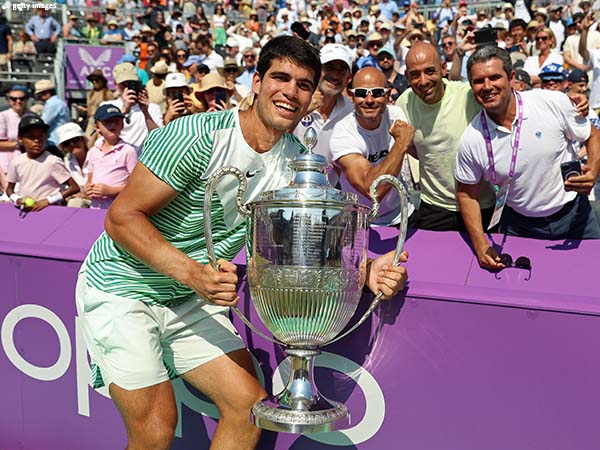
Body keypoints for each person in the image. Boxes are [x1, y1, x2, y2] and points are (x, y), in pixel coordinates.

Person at [75, 35, 408, 450]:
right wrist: (194, 274)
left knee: (250, 408)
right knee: (156, 429)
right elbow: (121, 219)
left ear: (311, 99)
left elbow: (308, 245)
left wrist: (368, 267)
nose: (291, 92)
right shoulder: (194, 135)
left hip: (188, 299)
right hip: (121, 290)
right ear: (256, 81)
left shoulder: (293, 165)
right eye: (281, 78)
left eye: (304, 84)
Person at [455, 46, 600, 270]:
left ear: (511, 77)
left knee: (591, 283)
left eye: (494, 77)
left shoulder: (551, 103)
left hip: (575, 217)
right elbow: (466, 193)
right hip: (519, 226)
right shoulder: (471, 139)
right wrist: (481, 244)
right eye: (478, 81)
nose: (487, 87)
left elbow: (592, 134)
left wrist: (592, 169)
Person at [397, 42, 495, 231]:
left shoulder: (468, 96)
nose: (423, 81)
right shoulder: (404, 103)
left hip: (480, 204)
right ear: (407, 77)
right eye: (415, 75)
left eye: (430, 71)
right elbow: (413, 148)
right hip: (434, 207)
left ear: (443, 68)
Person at [331, 67, 416, 227]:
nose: (369, 100)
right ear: (351, 96)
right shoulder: (342, 133)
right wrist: (400, 144)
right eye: (362, 93)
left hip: (402, 215)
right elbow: (373, 191)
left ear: (388, 95)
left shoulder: (396, 115)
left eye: (377, 92)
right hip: (359, 222)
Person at [293, 43, 354, 163]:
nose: (335, 75)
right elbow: (275, 139)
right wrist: (301, 112)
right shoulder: (295, 100)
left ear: (348, 78)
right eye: (329, 67)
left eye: (342, 70)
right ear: (316, 71)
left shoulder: (351, 112)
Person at [6, 116, 79, 212]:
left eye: (41, 136)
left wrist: (48, 201)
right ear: (20, 139)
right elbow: (9, 189)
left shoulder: (53, 161)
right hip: (26, 211)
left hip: (50, 211)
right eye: (31, 137)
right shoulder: (16, 162)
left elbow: (74, 187)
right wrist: (17, 199)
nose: (37, 141)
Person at [84, 105, 138, 209]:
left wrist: (111, 191)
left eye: (117, 121)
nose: (113, 125)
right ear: (97, 127)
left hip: (118, 208)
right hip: (96, 207)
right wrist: (88, 189)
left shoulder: (128, 150)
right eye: (107, 122)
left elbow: (135, 186)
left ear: (122, 125)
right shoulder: (93, 151)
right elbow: (90, 179)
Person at [101, 62, 163, 151]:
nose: (127, 88)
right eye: (123, 84)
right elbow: (105, 135)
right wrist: (123, 110)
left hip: (143, 161)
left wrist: (146, 112)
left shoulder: (152, 108)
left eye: (130, 83)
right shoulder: (106, 107)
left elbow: (159, 138)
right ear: (115, 84)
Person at [56, 122, 91, 208]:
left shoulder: (97, 155)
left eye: (75, 140)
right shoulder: (67, 161)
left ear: (83, 140)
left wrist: (83, 195)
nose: (72, 144)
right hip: (80, 200)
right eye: (67, 143)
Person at [0, 85, 29, 176]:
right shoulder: (3, 116)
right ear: (9, 101)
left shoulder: (31, 116)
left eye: (22, 98)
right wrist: (21, 143)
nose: (18, 101)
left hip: (28, 163)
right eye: (14, 99)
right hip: (7, 164)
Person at [34, 79, 70, 148]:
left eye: (40, 94)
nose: (39, 97)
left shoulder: (52, 104)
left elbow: (43, 123)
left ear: (47, 93)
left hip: (54, 141)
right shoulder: (58, 102)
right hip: (59, 140)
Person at [78, 69, 115, 137]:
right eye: (92, 80)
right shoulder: (90, 94)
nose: (94, 82)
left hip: (102, 121)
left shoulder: (107, 93)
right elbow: (91, 110)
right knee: (88, 139)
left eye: (96, 80)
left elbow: (112, 109)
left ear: (102, 81)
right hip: (91, 121)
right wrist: (84, 110)